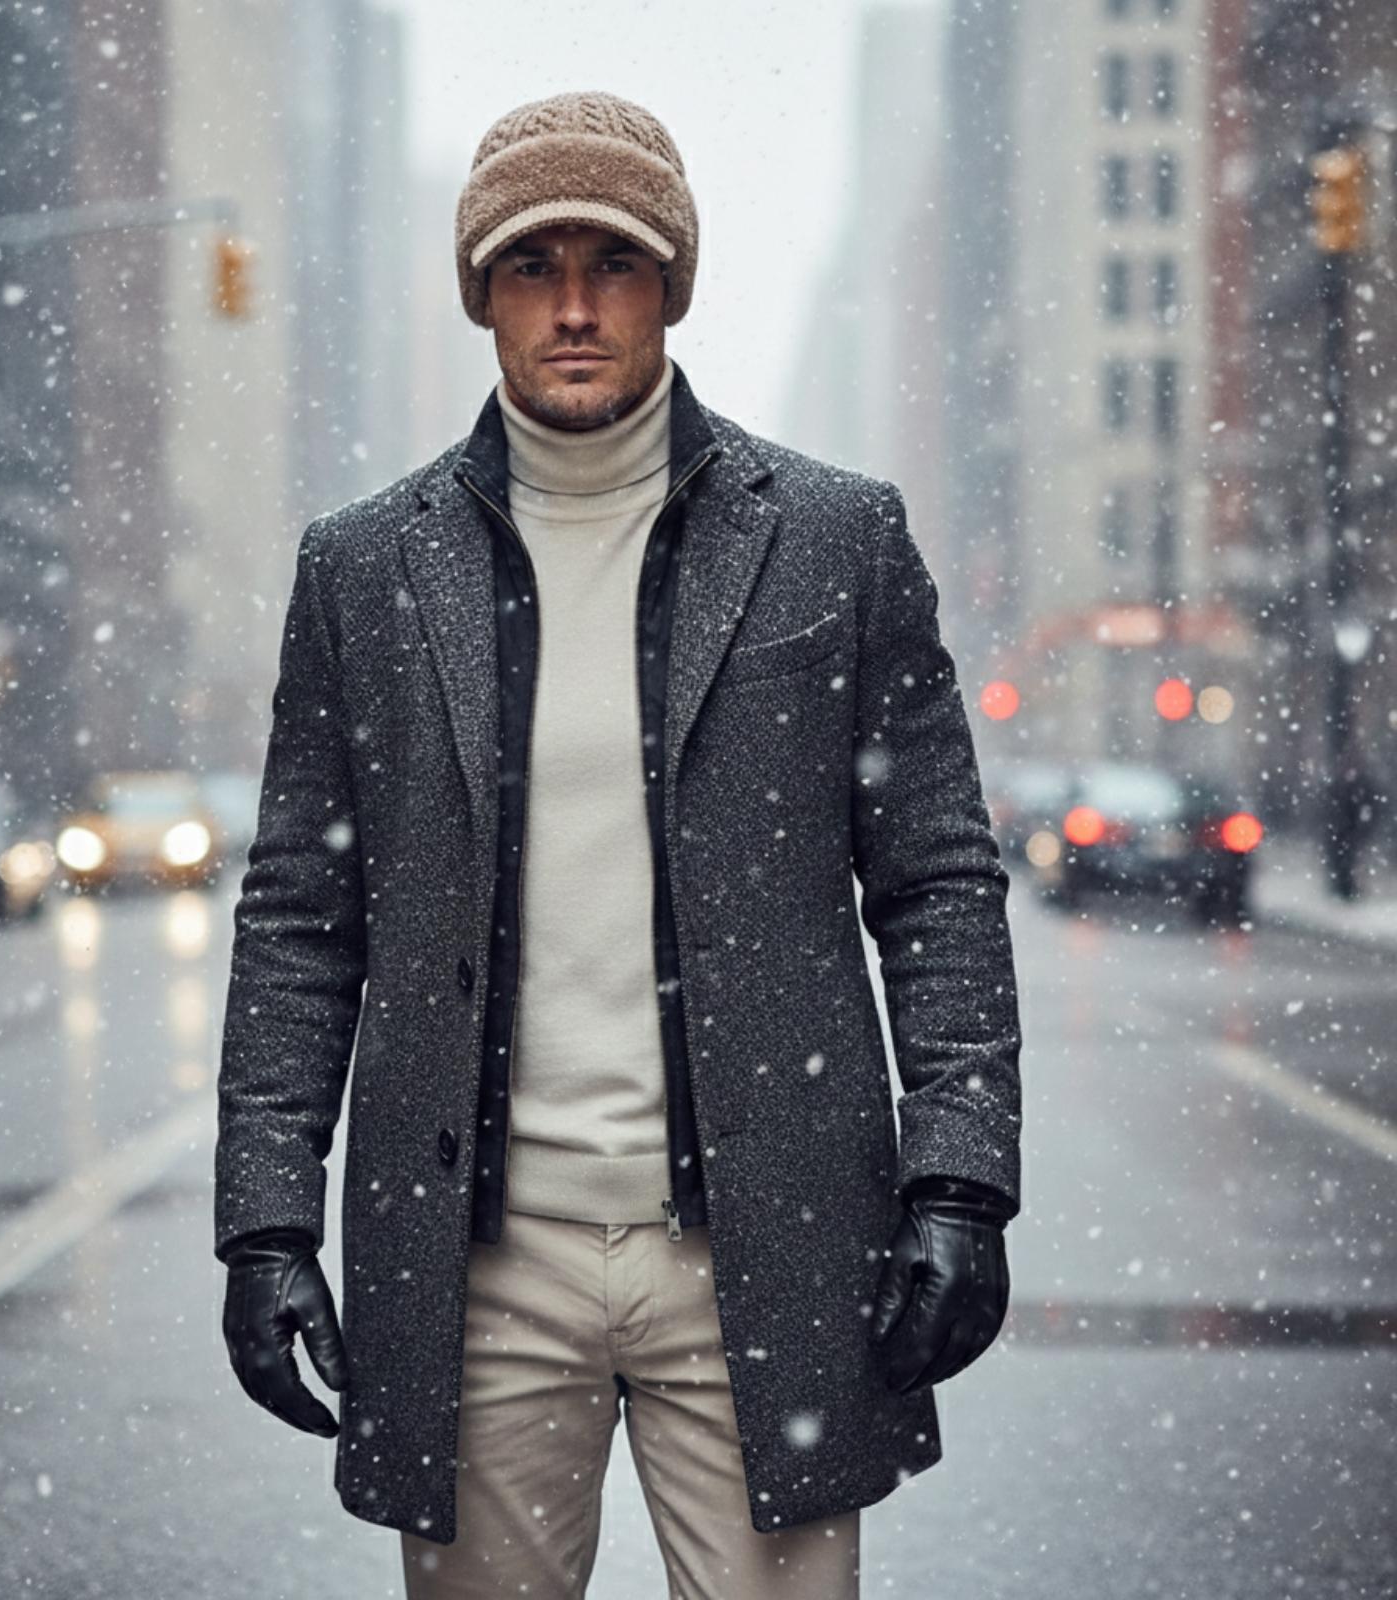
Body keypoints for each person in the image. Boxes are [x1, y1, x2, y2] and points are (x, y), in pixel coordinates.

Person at [214, 89, 1023, 1599]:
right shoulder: (365, 568)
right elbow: (301, 919)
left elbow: (937, 886)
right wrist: (263, 1221)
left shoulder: (838, 541)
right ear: (483, 295)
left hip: (764, 1249)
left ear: (672, 287)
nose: (575, 308)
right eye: (533, 266)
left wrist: (961, 1183)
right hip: (476, 1269)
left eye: (616, 264)